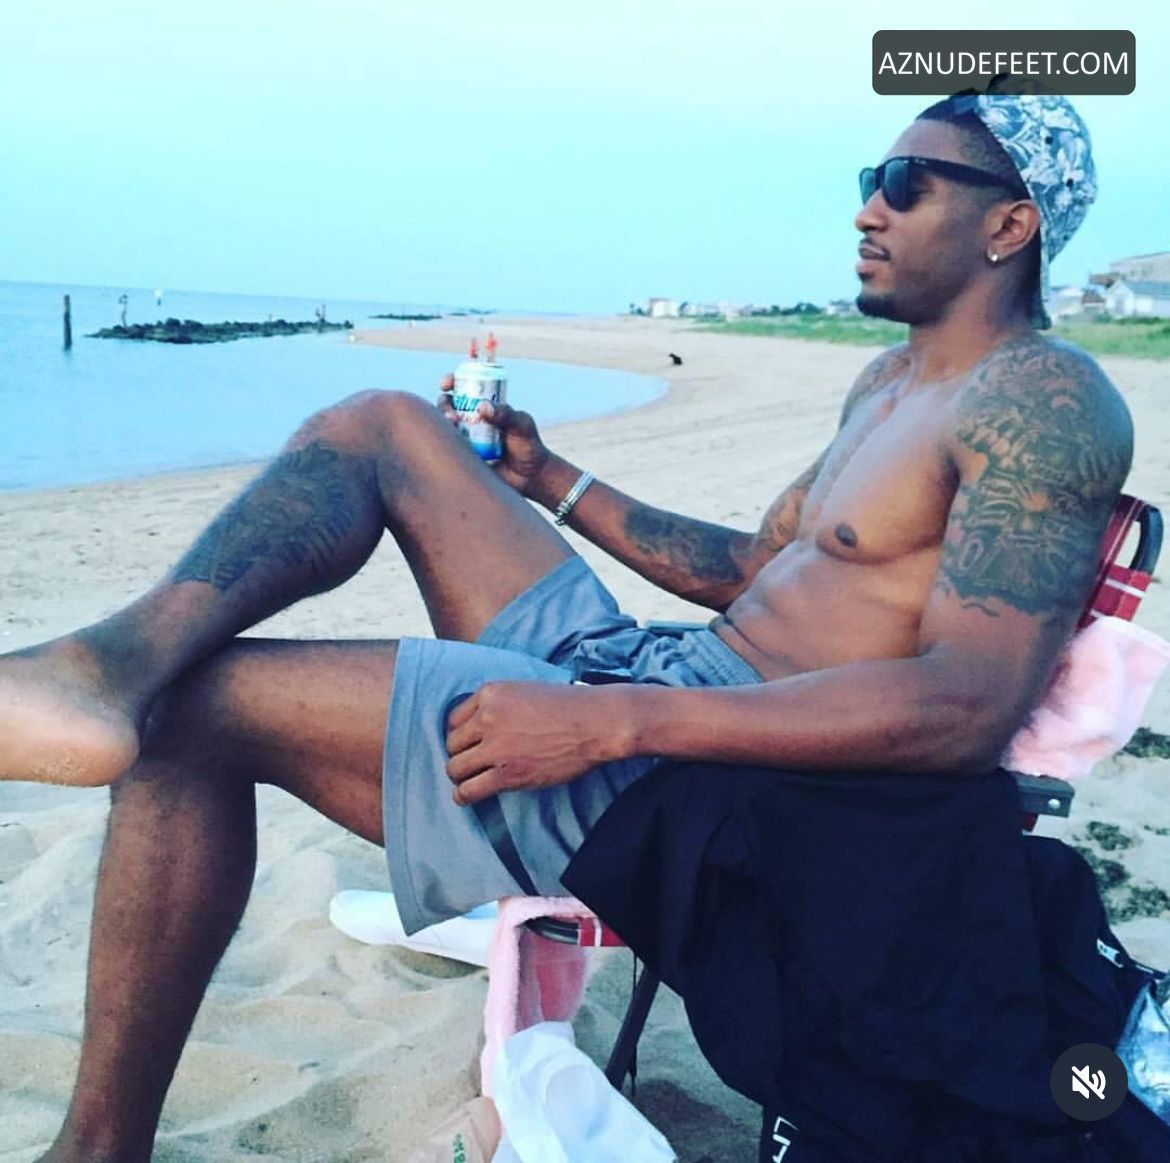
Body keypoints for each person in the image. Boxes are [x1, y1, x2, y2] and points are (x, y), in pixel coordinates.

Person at [0, 90, 1131, 1160]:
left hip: (714, 780)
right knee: (384, 423)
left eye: (905, 183)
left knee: (191, 711)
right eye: (866, 180)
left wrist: (612, 723)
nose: (866, 210)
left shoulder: (1046, 402)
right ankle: (105, 663)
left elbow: (964, 708)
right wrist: (551, 478)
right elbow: (754, 572)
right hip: (661, 681)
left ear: (1010, 225)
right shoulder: (891, 380)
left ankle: (97, 1145)